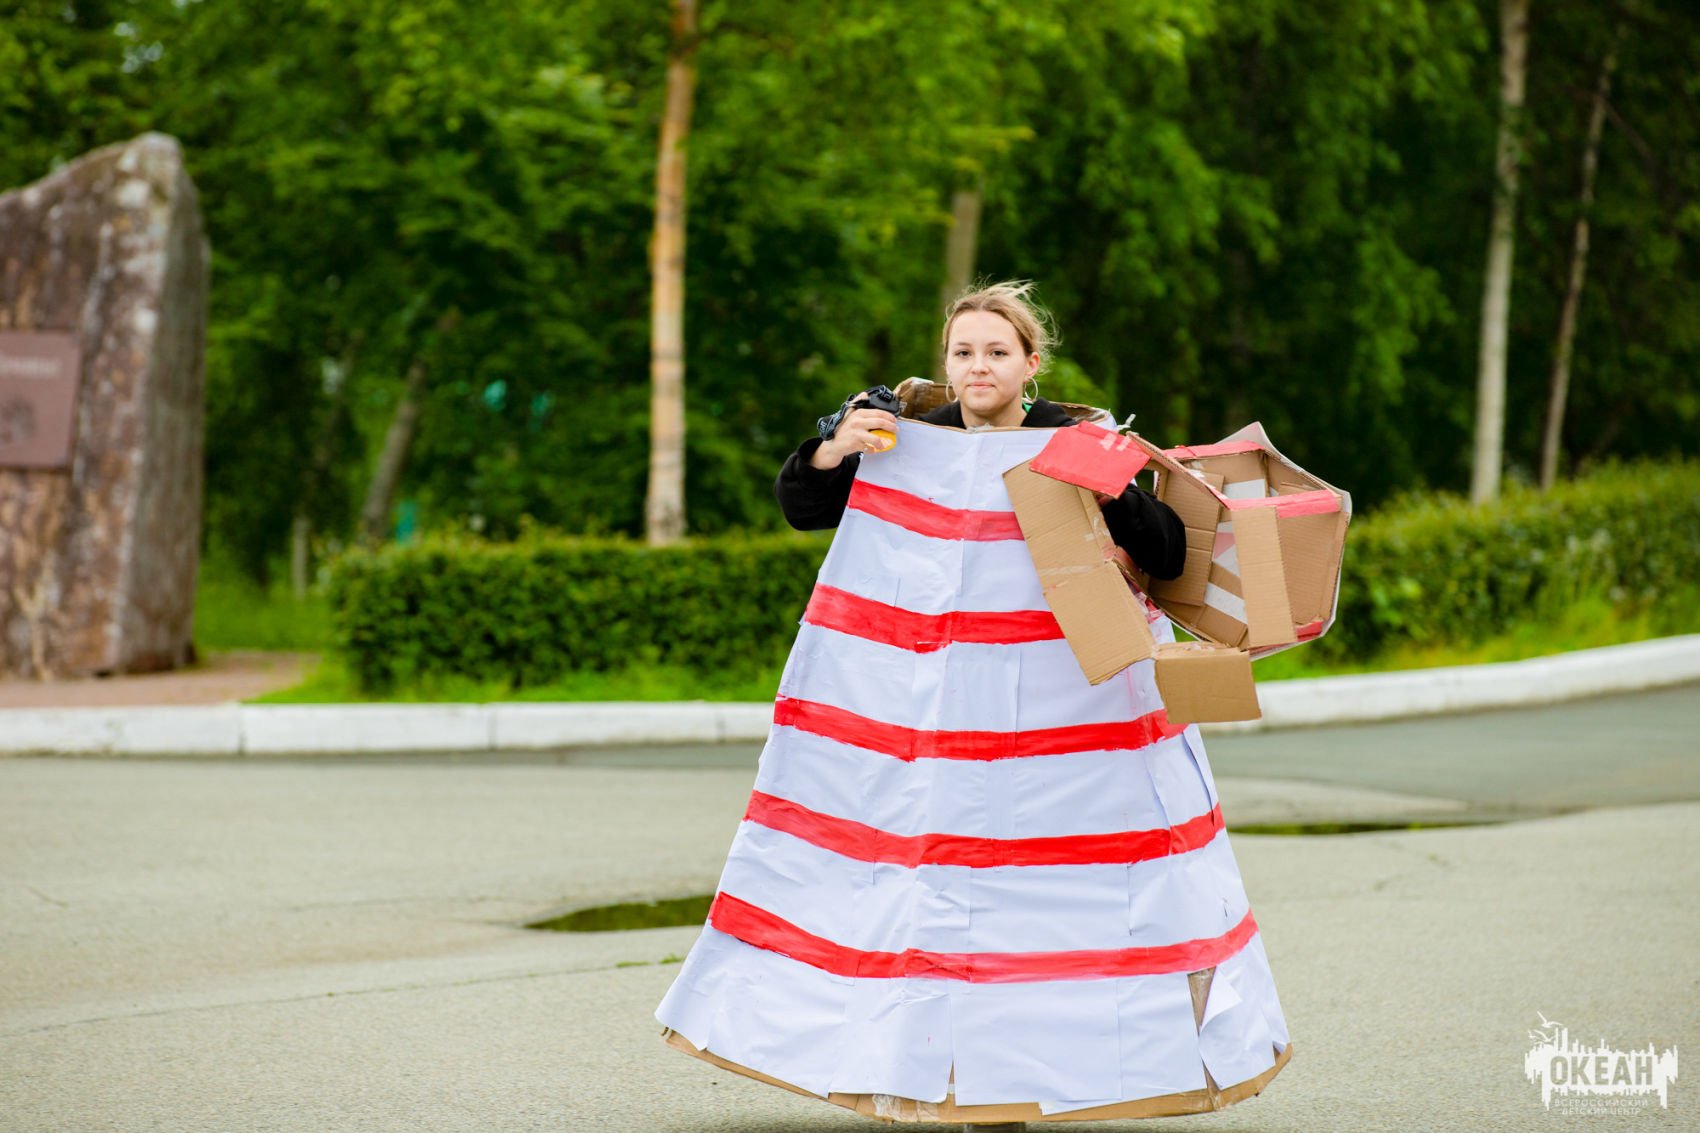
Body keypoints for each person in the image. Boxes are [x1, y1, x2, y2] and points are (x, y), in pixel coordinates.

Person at [656, 282, 1291, 1126]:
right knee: (920, 884)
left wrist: (1109, 488)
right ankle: (928, 1073)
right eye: (963, 352)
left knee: (1052, 896)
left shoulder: (1079, 437)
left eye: (996, 351)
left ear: (1031, 364)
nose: (978, 366)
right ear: (946, 364)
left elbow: (1170, 552)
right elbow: (802, 507)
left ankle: (1037, 1077)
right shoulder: (898, 435)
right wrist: (833, 447)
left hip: (1067, 729)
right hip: (926, 723)